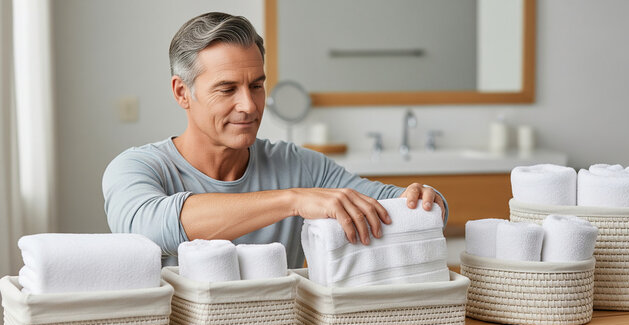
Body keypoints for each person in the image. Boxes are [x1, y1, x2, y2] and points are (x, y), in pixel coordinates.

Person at [102, 12, 447, 268]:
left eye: (256, 85)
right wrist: (292, 200)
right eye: (227, 89)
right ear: (182, 92)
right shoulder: (137, 167)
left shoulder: (300, 166)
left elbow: (395, 204)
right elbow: (148, 226)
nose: (249, 106)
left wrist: (425, 201)